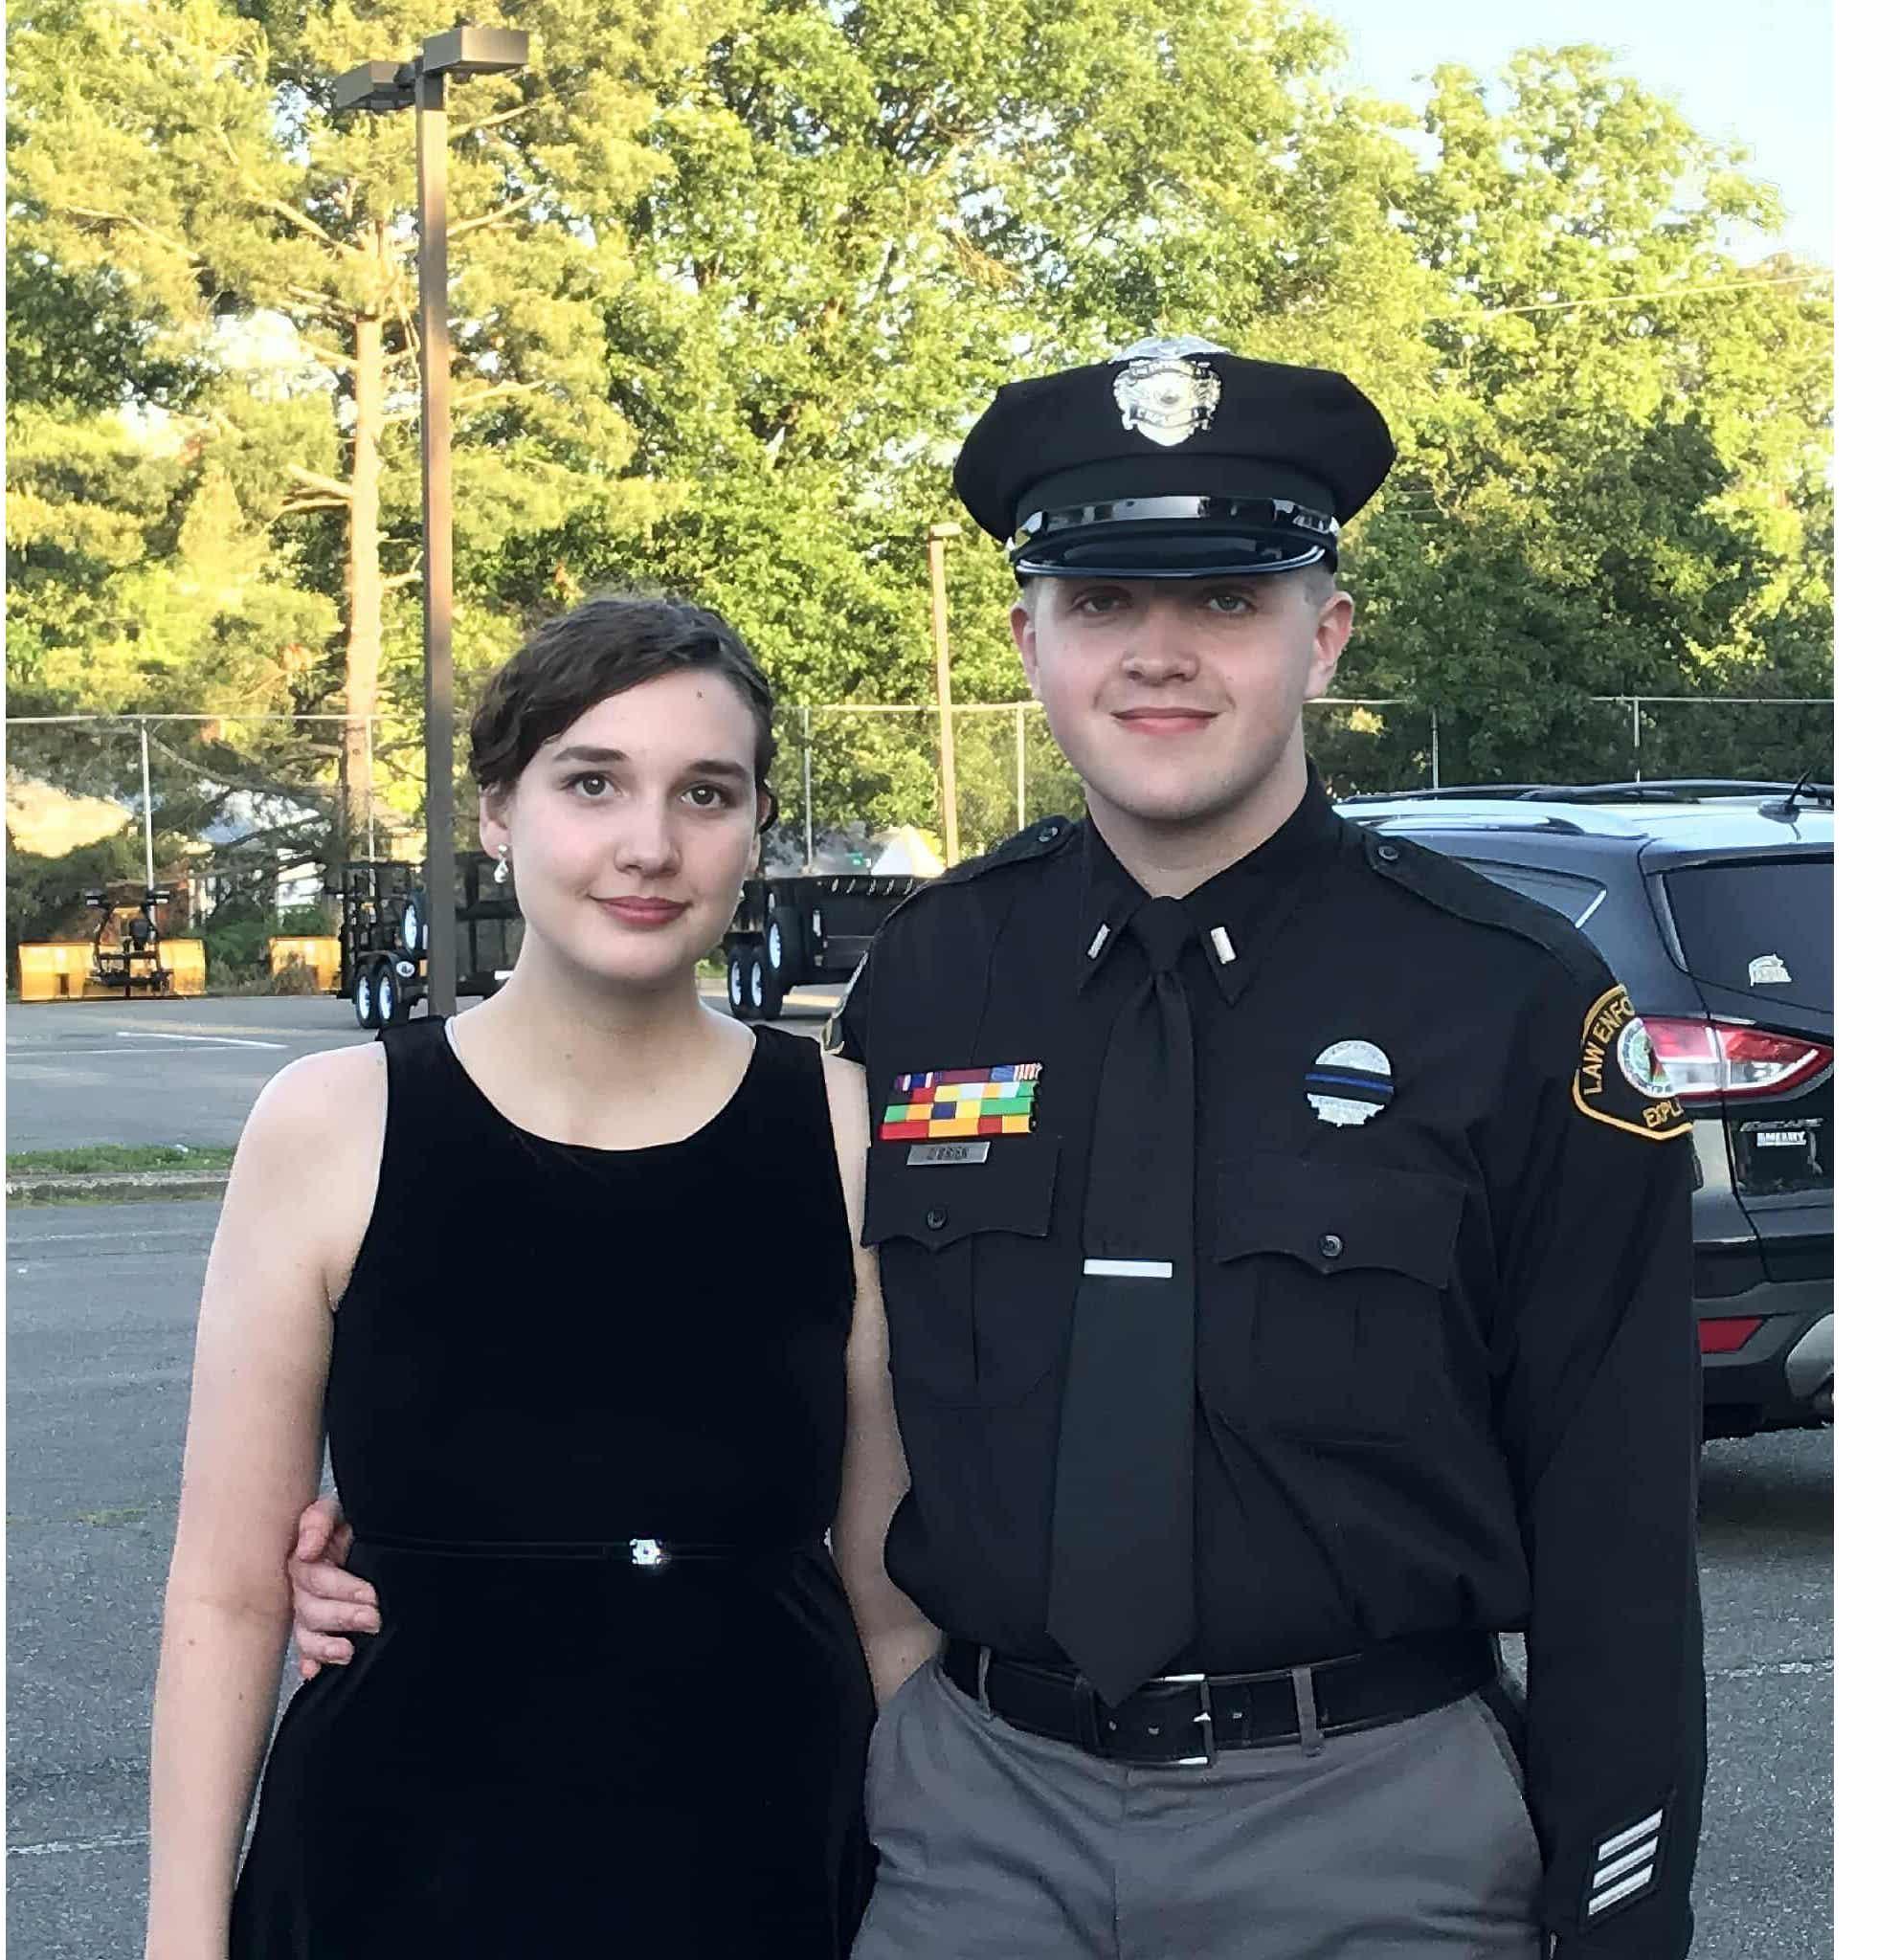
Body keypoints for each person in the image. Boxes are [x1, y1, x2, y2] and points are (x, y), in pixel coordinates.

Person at [293, 341, 1706, 1958]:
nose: (1159, 658)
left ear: (1326, 638)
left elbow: (1618, 1526)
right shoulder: (936, 979)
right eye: (1101, 603)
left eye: (1229, 604)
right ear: (1030, 639)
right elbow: (771, 1354)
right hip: (978, 1829)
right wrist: (408, 1533)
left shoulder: (1509, 999)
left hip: (1364, 1825)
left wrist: (1620, 1903)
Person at [144, 594, 933, 1960]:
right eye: (592, 783)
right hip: (395, 1858)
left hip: (758, 1852)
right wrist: (180, 1937)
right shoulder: (334, 1124)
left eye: (706, 792)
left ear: (756, 830)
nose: (648, 844)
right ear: (499, 810)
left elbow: (890, 1599)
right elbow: (226, 1590)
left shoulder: (850, 1130)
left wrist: (936, 1896)